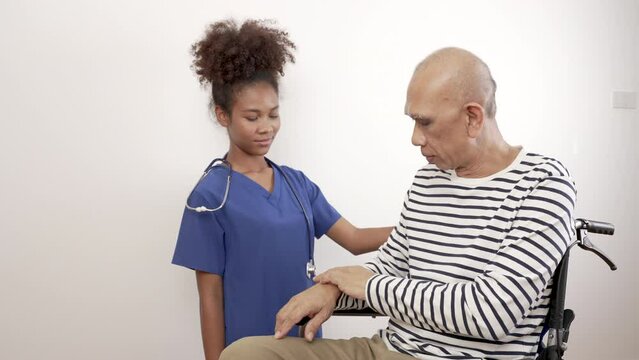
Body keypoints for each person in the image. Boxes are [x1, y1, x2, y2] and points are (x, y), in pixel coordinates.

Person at [219, 47, 577, 360]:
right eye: (412, 121)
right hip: (388, 349)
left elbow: (493, 313)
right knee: (245, 354)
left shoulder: (543, 183)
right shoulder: (427, 180)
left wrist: (367, 286)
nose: (415, 138)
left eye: (425, 122)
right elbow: (387, 270)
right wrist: (330, 290)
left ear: (473, 117)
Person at [171, 19, 392, 360]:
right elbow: (210, 297)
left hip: (306, 345)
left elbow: (356, 239)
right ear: (222, 115)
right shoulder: (211, 198)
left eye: (273, 115)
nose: (266, 128)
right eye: (252, 117)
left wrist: (418, 225)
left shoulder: (297, 184)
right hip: (247, 348)